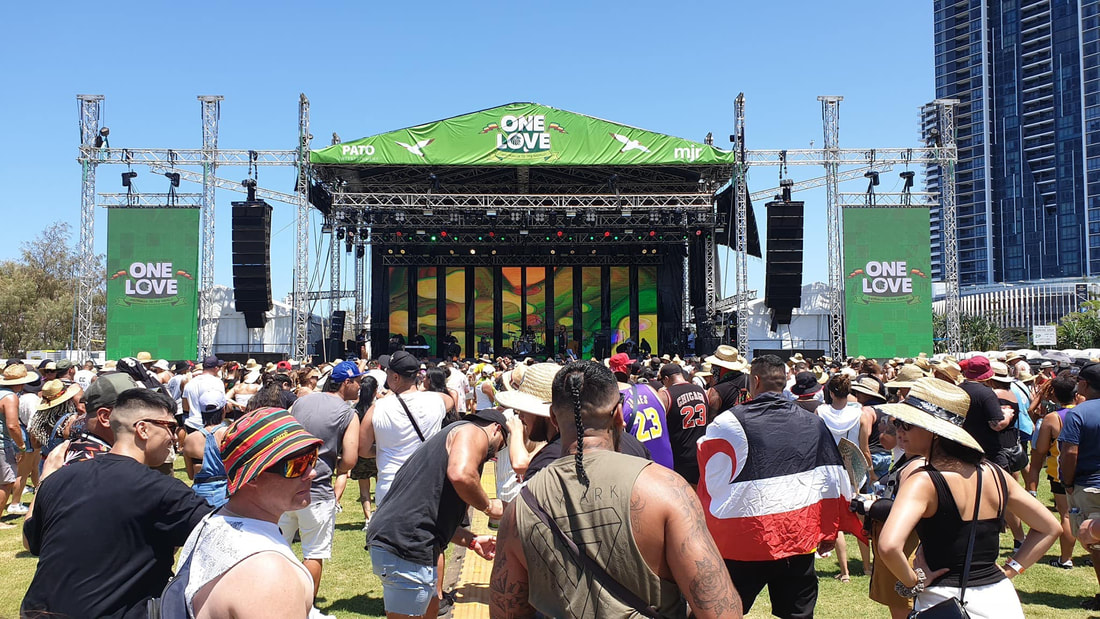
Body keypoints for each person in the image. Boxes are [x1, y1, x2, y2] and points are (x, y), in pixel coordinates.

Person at [489, 360, 742, 618]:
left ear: (553, 417)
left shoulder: (522, 507)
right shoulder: (667, 490)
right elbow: (721, 611)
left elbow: (505, 611)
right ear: (620, 414)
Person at [878, 377, 1060, 618]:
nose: (899, 430)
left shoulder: (922, 481)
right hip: (1000, 599)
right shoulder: (995, 474)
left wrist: (913, 581)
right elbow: (1049, 527)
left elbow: (889, 546)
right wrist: (1012, 569)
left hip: (944, 601)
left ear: (934, 431)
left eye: (907, 424)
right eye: (898, 423)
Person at [21, 388, 212, 618]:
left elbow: (30, 542)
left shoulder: (59, 478)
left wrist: (44, 480)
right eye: (170, 427)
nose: (174, 437)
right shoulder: (162, 490)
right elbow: (221, 537)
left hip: (37, 611)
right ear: (143, 428)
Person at [699, 355, 861, 618]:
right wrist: (829, 531)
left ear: (755, 381)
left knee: (723, 610)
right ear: (786, 381)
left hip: (747, 539)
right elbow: (831, 478)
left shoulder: (729, 422)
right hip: (796, 537)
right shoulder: (813, 422)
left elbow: (711, 477)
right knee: (797, 614)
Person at [162, 407, 325, 619]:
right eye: (297, 465)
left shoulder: (212, 522)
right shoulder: (268, 573)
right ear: (253, 476)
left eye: (311, 458)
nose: (312, 472)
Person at [366, 409, 510, 619]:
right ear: (497, 429)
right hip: (405, 545)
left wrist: (471, 541)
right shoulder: (473, 431)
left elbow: (429, 514)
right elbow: (461, 475)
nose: (495, 454)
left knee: (432, 609)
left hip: (407, 541)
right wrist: (489, 507)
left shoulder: (449, 439)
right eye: (501, 446)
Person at [279, 360, 360, 599]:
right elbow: (350, 459)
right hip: (317, 491)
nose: (360, 387)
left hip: (284, 488)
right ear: (347, 382)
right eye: (357, 381)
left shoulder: (300, 402)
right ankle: (305, 607)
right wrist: (336, 467)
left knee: (277, 549)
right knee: (313, 553)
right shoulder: (348, 413)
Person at [359, 351, 447, 507]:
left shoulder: (377, 408)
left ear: (395, 377)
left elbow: (363, 449)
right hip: (427, 483)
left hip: (391, 484)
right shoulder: (437, 400)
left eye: (387, 371)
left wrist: (382, 449)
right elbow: (450, 400)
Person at [1059, 362, 1100, 611]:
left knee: (1095, 544)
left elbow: (1069, 453)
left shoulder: (1078, 413)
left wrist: (1068, 482)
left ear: (1083, 384)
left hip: (1089, 487)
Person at [1026, 374, 1078, 568]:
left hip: (1061, 474)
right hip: (1088, 473)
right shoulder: (1087, 412)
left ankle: (1065, 559)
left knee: (1066, 515)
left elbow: (1039, 450)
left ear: (1054, 395)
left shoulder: (1053, 418)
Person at [611, 352, 674, 471]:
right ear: (627, 370)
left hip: (640, 472)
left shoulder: (613, 401)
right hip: (666, 467)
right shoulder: (651, 390)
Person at [655, 362, 711, 485]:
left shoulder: (665, 395)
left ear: (666, 379)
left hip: (679, 456)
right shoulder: (702, 391)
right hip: (701, 453)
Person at [182, 390, 232, 508]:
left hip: (200, 496)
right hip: (226, 495)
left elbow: (190, 475)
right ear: (223, 409)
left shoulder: (189, 439)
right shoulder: (229, 434)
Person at [1, 363, 37, 521]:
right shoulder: (10, 397)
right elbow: (12, 425)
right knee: (6, 483)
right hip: (2, 444)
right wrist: (22, 447)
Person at [183, 356, 227, 431]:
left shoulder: (190, 383)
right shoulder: (217, 382)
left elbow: (185, 407)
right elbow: (221, 405)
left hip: (192, 424)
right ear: (216, 368)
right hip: (210, 425)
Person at [705, 345, 750, 413]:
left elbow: (711, 419)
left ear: (722, 367)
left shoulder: (716, 391)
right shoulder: (752, 380)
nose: (712, 371)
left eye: (713, 366)